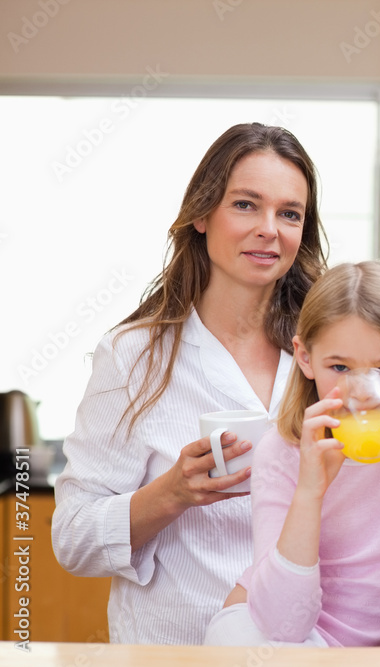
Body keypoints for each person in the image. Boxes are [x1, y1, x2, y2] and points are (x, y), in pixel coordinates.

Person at [52, 122, 327, 645]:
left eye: (289, 213)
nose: (270, 228)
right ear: (202, 215)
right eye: (246, 205)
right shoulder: (134, 357)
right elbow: (72, 540)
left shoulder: (326, 354)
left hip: (308, 647)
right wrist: (171, 493)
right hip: (174, 649)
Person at [203, 261, 380, 647]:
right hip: (268, 628)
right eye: (339, 367)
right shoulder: (282, 450)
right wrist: (309, 492)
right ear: (304, 357)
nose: (363, 393)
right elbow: (284, 626)